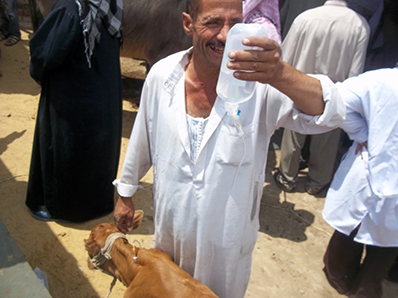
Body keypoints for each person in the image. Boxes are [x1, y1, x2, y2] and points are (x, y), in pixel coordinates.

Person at [112, 0, 345, 297]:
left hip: (226, 255)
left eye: (235, 23)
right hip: (169, 239)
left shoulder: (259, 86)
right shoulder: (161, 76)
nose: (224, 35)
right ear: (187, 24)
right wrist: (126, 192)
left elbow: (329, 112)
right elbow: (143, 136)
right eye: (212, 22)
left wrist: (279, 73)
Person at [26, 0, 123, 222]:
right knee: (97, 151)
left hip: (72, 100)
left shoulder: (71, 8)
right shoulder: (111, 5)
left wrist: (37, 68)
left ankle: (55, 206)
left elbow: (47, 52)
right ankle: (96, 204)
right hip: (102, 97)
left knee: (63, 150)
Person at [274, 0, 370, 195]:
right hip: (335, 91)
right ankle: (317, 182)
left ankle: (287, 178)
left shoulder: (305, 19)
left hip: (299, 86)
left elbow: (285, 57)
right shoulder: (360, 26)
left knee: (293, 135)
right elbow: (356, 71)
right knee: (328, 138)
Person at [322, 66, 398, 298]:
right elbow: (339, 100)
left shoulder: (383, 80)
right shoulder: (384, 81)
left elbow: (338, 100)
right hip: (375, 182)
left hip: (370, 177)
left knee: (349, 242)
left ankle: (348, 283)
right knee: (383, 250)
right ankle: (365, 287)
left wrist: (362, 135)